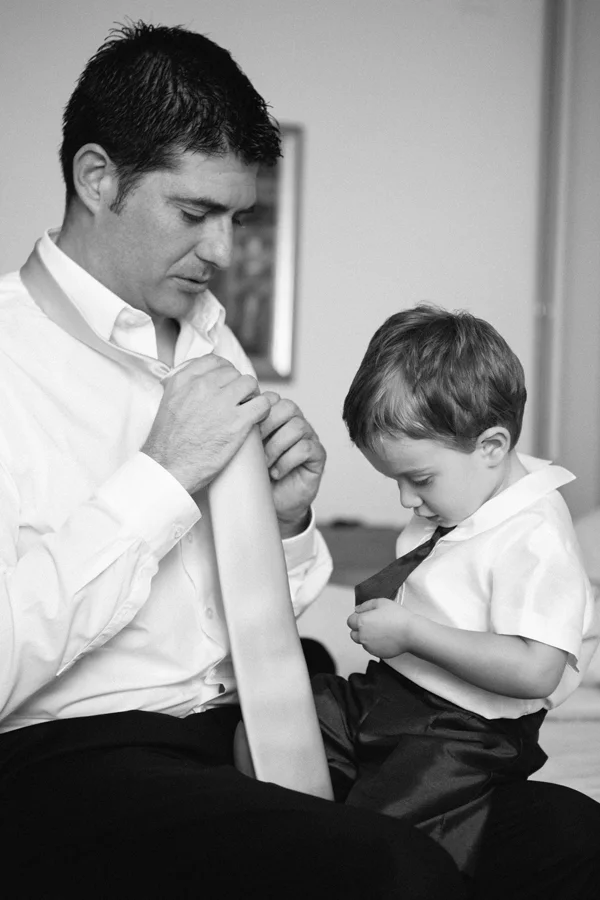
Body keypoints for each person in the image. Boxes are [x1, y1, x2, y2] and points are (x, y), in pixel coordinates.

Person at [0, 21, 468, 899]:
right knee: (395, 874)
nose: (223, 251)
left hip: (242, 732)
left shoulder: (211, 342)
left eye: (236, 218)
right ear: (97, 178)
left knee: (563, 838)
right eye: (195, 214)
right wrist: (160, 479)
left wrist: (283, 526)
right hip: (65, 758)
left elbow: (250, 628)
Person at [313, 304, 600, 891]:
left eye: (419, 479)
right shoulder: (470, 493)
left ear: (492, 446)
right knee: (294, 711)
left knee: (389, 828)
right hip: (394, 693)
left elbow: (537, 670)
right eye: (394, 480)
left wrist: (412, 632)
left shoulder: (535, 535)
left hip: (463, 732)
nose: (405, 500)